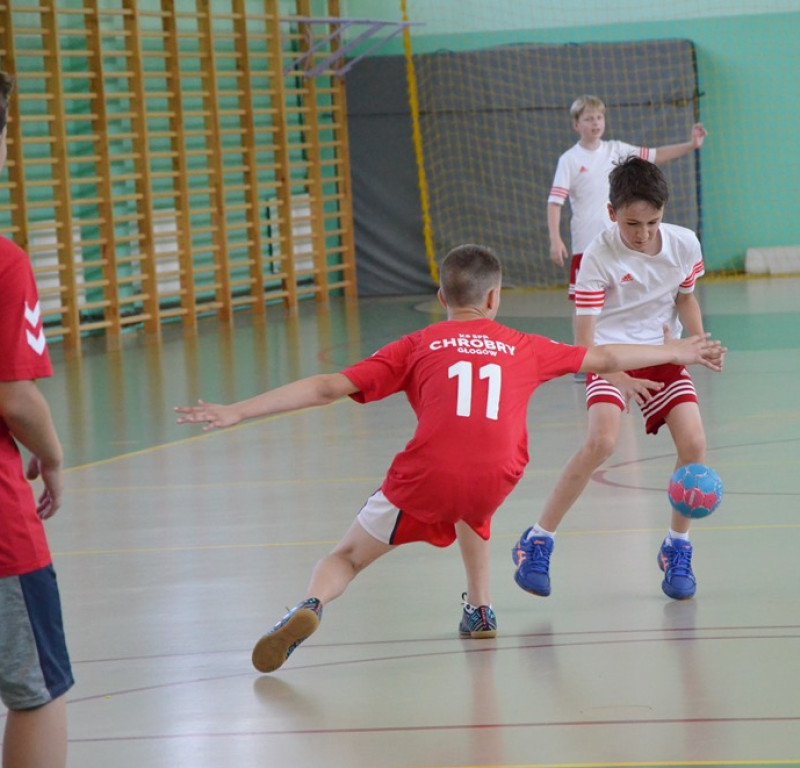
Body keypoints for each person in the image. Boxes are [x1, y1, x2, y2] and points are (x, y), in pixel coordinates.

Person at [175, 244, 725, 673]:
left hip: (429, 473)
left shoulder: (416, 345)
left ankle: (312, 606)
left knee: (346, 556)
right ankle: (480, 610)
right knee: (471, 499)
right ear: (494, 298)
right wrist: (679, 350)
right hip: (499, 475)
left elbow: (326, 387)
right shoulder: (522, 344)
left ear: (443, 298)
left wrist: (240, 411)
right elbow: (604, 355)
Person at [516, 156, 718, 601]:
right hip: (608, 354)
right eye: (632, 224)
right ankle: (537, 539)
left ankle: (676, 546)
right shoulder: (597, 257)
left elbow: (686, 299)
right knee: (601, 443)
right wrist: (619, 376)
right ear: (611, 214)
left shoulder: (684, 244)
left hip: (664, 350)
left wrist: (698, 343)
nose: (643, 234)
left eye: (652, 222)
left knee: (695, 444)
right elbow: (584, 343)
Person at [0, 72, 74, 768]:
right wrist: (51, 457)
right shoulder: (4, 261)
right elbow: (15, 398)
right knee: (37, 690)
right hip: (1, 535)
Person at [547, 94, 707, 366]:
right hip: (588, 244)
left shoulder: (618, 151)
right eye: (588, 118)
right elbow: (555, 200)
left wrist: (691, 145)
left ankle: (638, 353)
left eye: (599, 117)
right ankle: (585, 358)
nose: (595, 123)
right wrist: (555, 238)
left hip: (628, 245)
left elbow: (655, 155)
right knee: (585, 304)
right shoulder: (570, 160)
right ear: (576, 124)